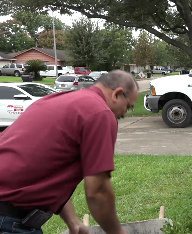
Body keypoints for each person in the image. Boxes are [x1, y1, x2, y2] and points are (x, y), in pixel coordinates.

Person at [0, 70, 139, 234]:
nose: (124, 113)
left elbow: (46, 167)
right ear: (117, 94)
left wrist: (73, 221)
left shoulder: (57, 100)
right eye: (128, 106)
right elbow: (97, 191)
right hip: (9, 220)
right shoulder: (100, 113)